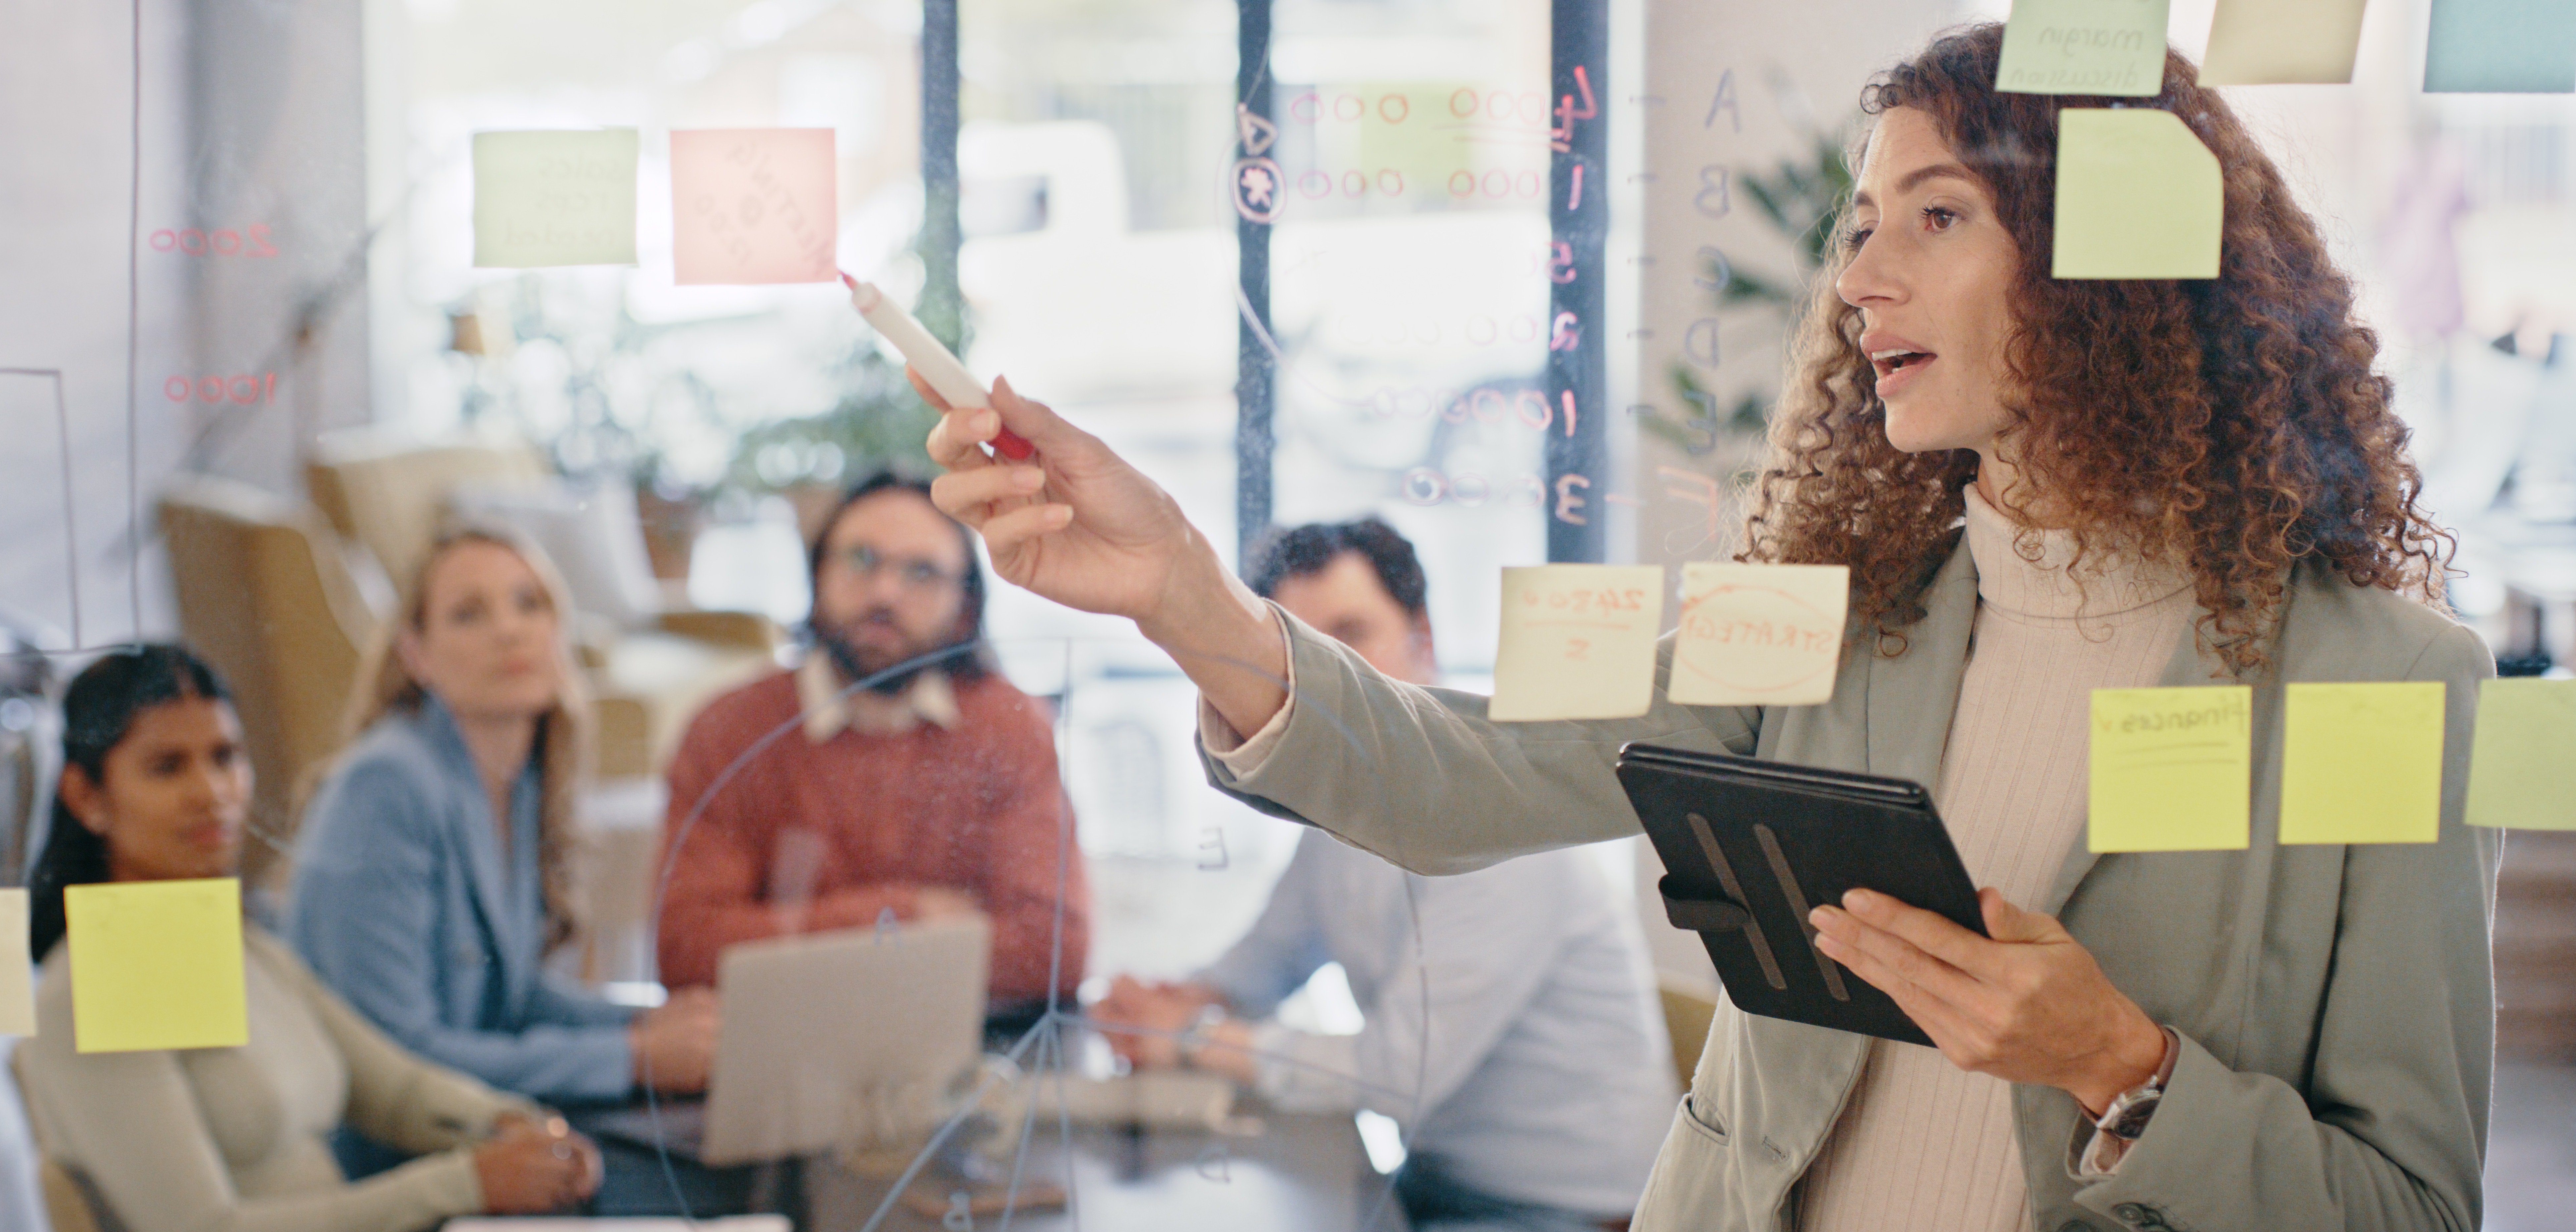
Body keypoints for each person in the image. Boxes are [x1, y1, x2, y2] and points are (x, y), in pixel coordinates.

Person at [918, 28, 2493, 1232]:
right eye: (1861, 223)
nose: (1860, 277)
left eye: (1935, 216)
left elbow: (2411, 1203)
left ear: (2117, 263)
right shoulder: (1818, 621)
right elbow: (1461, 770)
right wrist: (1186, 592)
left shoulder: (2390, 684)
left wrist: (2123, 1066)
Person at [1093, 518, 1675, 1232]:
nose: (1327, 678)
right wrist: (1161, 1002)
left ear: (1422, 637)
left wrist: (1189, 1038)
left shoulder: (1503, 815)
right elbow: (1264, 963)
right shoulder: (1344, 810)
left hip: (1574, 1213)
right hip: (1437, 1183)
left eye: (1352, 633)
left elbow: (1401, 1076)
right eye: (1299, 652)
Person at [18, 645, 602, 1232]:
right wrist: (466, 1183)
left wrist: (515, 1124)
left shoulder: (227, 940)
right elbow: (208, 1228)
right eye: (168, 767)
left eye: (225, 757)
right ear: (87, 797)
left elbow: (393, 1089)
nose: (212, 790)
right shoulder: (92, 984)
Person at [285, 525, 734, 1213]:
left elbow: (511, 999)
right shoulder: (386, 787)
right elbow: (398, 1059)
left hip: (487, 1128)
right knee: (708, 1186)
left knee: (740, 1151)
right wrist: (633, 1057)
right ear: (417, 655)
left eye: (530, 604)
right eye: (469, 613)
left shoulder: (515, 778)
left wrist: (648, 1022)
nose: (509, 631)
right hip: (402, 1168)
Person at [656, 470, 1088, 1014]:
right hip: (783, 1049)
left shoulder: (1008, 726)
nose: (885, 592)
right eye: (861, 560)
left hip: (967, 1054)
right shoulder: (731, 729)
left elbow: (1055, 952)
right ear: (816, 577)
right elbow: (684, 949)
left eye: (922, 572)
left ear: (965, 607)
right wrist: (906, 914)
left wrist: (792, 940)